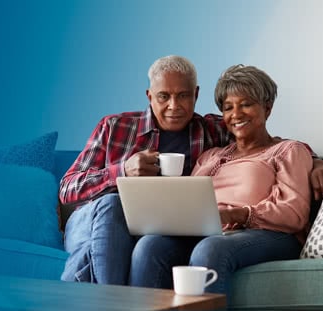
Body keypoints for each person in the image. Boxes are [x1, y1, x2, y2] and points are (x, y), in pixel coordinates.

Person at [59, 55, 323, 285]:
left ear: (196, 95)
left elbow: (280, 153)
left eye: (183, 96)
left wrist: (318, 162)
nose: (174, 106)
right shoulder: (117, 127)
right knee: (123, 215)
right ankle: (113, 302)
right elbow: (67, 188)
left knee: (172, 245)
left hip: (250, 232)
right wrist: (120, 171)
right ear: (149, 96)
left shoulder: (214, 132)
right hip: (95, 218)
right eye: (164, 96)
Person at [129, 64, 313, 296]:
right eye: (228, 108)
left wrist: (236, 214)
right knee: (150, 245)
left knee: (210, 249)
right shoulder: (210, 156)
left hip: (270, 235)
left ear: (267, 108)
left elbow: (294, 214)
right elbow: (189, 202)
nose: (236, 114)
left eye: (246, 104)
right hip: (211, 232)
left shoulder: (287, 151)